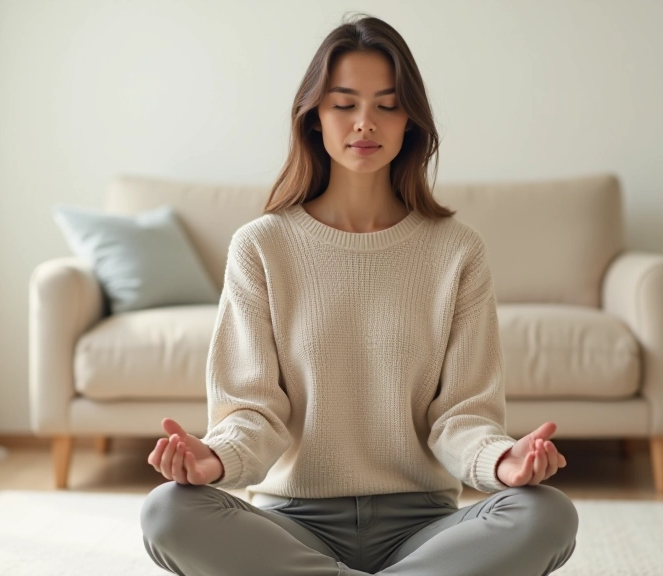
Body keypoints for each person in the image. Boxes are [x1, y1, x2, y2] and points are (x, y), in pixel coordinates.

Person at [140, 12, 578, 576]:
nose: (365, 123)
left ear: (410, 121)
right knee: (169, 511)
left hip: (423, 527)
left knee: (546, 513)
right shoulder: (261, 246)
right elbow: (253, 412)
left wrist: (501, 460)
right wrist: (215, 457)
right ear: (314, 118)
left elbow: (461, 416)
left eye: (387, 105)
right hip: (294, 524)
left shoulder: (457, 250)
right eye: (344, 104)